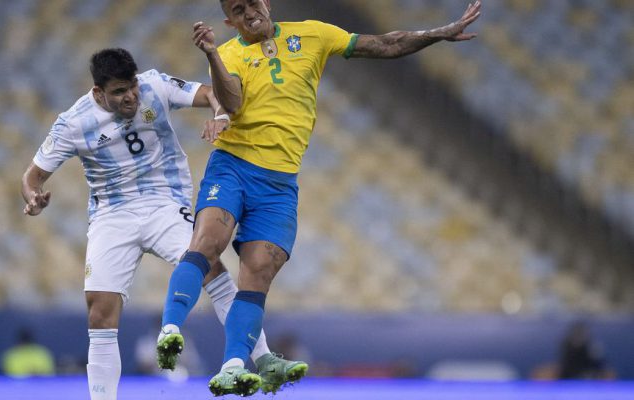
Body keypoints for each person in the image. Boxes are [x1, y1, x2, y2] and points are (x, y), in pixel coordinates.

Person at [157, 0, 482, 396]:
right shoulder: (226, 54)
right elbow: (234, 103)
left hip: (279, 182)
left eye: (252, 3)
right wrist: (210, 53)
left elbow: (386, 44)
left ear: (267, 3)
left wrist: (438, 33)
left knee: (258, 271)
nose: (248, 13)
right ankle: (170, 329)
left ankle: (232, 367)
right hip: (233, 165)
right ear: (230, 20)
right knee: (208, 243)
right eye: (238, 10)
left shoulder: (312, 34)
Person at [20, 48, 300, 400]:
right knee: (100, 311)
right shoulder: (73, 123)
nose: (131, 96)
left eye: (132, 86)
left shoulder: (155, 85)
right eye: (120, 91)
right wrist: (33, 196)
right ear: (98, 93)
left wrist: (219, 114)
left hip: (164, 203)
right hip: (112, 215)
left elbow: (212, 92)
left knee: (212, 267)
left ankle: (262, 359)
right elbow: (32, 177)